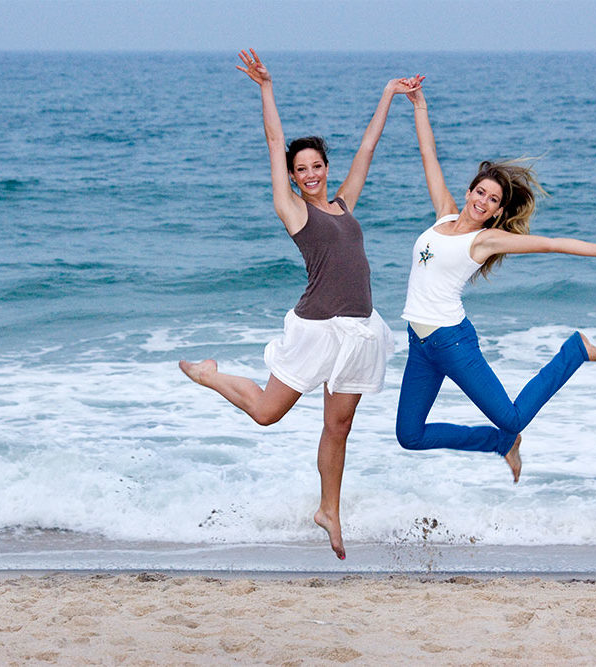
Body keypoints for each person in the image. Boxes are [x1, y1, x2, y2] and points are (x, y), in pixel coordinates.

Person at [179, 49, 419, 559]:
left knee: (340, 425)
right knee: (267, 413)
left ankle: (329, 510)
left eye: (316, 165)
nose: (309, 174)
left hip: (360, 332)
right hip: (317, 330)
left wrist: (388, 95)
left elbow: (368, 151)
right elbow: (272, 141)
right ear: (292, 178)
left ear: (326, 168)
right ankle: (209, 373)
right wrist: (266, 88)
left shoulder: (344, 203)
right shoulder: (292, 211)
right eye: (300, 169)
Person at [395, 81, 596, 483]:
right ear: (469, 191)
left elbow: (551, 244)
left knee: (510, 417)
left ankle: (574, 351)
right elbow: (429, 154)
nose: (483, 201)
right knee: (409, 435)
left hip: (452, 341)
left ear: (496, 213)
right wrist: (419, 107)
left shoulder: (484, 240)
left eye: (493, 200)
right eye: (480, 192)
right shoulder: (443, 215)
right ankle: (499, 444)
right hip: (419, 343)